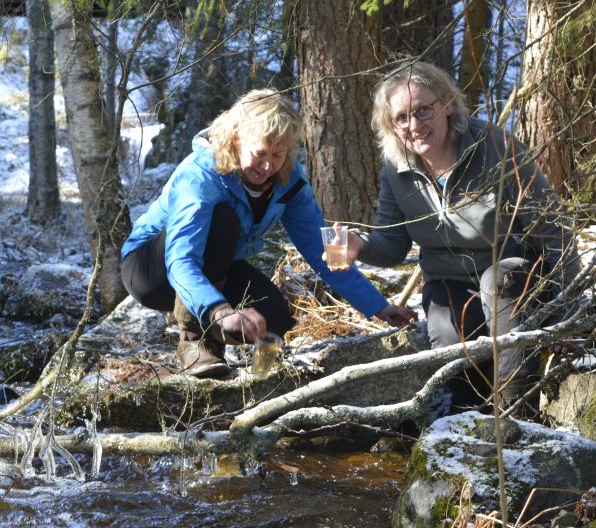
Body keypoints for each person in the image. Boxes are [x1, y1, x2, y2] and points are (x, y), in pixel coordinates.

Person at [333, 61, 580, 414]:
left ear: (447, 104)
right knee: (449, 343)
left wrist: (566, 313)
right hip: (447, 282)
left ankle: (516, 413)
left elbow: (554, 229)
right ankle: (467, 422)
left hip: (512, 276)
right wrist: (361, 247)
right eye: (401, 118)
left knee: (500, 281)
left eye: (423, 110)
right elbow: (393, 245)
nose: (414, 125)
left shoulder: (496, 146)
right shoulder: (395, 166)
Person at [120, 89, 414, 378]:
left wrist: (378, 306)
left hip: (216, 266)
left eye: (278, 154)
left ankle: (264, 378)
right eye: (259, 153)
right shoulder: (200, 176)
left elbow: (321, 250)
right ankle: (198, 344)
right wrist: (221, 311)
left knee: (274, 315)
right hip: (151, 270)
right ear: (235, 140)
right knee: (223, 220)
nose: (268, 165)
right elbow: (181, 259)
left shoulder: (289, 181)